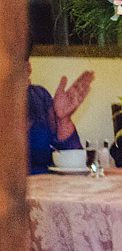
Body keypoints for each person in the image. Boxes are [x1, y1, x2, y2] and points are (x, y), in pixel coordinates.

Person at [27, 45, 93, 175]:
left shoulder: (39, 97)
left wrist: (63, 120)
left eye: (27, 60)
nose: (29, 69)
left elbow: (72, 164)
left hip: (46, 189)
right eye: (17, 60)